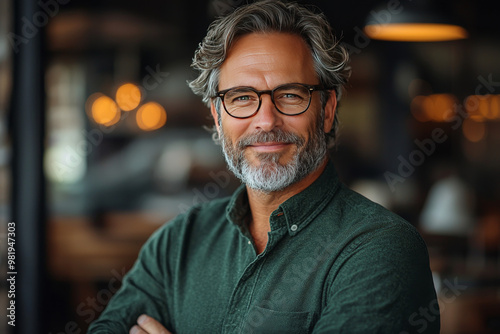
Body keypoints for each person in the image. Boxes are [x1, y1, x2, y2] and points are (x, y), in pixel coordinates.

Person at [88, 1, 439, 333]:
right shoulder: (177, 243)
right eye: (241, 97)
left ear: (328, 109)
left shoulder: (381, 249)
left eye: (290, 95)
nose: (265, 121)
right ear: (217, 115)